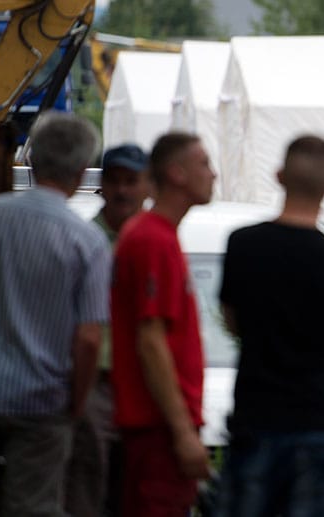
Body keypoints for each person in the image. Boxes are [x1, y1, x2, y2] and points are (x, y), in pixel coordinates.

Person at [0, 111, 110, 516]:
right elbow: (88, 338)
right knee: (33, 508)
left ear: (30, 160)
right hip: (41, 404)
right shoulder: (88, 242)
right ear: (81, 172)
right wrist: (75, 406)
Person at [217, 135, 324, 516]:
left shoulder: (242, 245)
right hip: (323, 421)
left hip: (256, 419)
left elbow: (232, 322)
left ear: (279, 176)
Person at [111, 133, 213, 517]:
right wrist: (183, 431)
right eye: (203, 163)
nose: (213, 173)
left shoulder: (158, 235)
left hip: (158, 429)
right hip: (157, 431)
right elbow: (150, 341)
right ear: (177, 173)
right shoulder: (152, 239)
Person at [66, 143, 151, 517]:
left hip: (143, 385)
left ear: (146, 186)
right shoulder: (84, 240)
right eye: (114, 180)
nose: (122, 190)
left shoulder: (155, 241)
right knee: (89, 494)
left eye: (131, 181)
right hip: (95, 383)